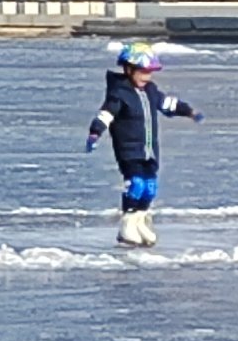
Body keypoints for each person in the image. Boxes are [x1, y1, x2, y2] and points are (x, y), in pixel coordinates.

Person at [86, 42, 202, 246]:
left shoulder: (150, 90)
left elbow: (167, 105)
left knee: (150, 188)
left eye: (149, 72)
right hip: (129, 151)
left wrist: (189, 111)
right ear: (129, 69)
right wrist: (95, 133)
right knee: (136, 185)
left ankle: (141, 222)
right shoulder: (119, 93)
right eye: (142, 72)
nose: (146, 77)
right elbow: (106, 115)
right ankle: (127, 225)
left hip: (149, 151)